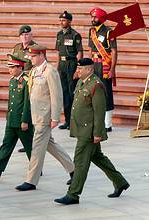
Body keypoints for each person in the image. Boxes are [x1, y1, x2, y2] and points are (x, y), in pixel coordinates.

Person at [54, 58, 129, 205]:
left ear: (89, 69)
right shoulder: (82, 82)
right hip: (82, 129)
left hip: (89, 132)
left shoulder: (97, 85)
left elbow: (99, 112)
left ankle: (73, 194)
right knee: (98, 158)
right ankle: (120, 182)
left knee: (80, 162)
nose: (78, 71)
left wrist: (97, 133)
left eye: (80, 69)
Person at [15, 45, 75, 191]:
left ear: (42, 55)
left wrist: (55, 117)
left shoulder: (50, 71)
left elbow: (57, 95)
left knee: (36, 148)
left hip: (45, 116)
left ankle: (31, 180)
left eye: (34, 56)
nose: (31, 58)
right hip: (36, 115)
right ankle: (74, 171)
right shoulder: (34, 71)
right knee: (50, 145)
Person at [0, 54, 33, 178]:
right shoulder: (12, 81)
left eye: (12, 67)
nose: (10, 70)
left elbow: (28, 102)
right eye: (9, 67)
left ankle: (36, 168)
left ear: (20, 68)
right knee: (6, 144)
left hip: (22, 121)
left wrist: (25, 120)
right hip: (12, 119)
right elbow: (12, 102)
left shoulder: (26, 81)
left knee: (30, 147)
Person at [88, 7, 117, 132]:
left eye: (95, 17)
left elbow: (114, 52)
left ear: (101, 18)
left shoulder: (109, 32)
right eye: (92, 17)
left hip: (105, 65)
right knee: (95, 91)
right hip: (94, 64)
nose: (93, 19)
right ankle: (97, 120)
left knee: (106, 93)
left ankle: (107, 123)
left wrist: (112, 69)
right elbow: (90, 50)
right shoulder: (92, 32)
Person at [55, 11, 83, 130]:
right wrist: (57, 67)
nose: (62, 22)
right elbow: (58, 52)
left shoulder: (75, 35)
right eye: (60, 20)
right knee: (64, 94)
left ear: (70, 22)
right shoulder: (59, 34)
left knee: (72, 93)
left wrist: (78, 68)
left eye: (64, 20)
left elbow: (80, 52)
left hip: (71, 64)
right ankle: (67, 120)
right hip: (62, 65)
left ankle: (73, 121)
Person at [12, 25, 36, 153]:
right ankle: (25, 142)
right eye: (22, 35)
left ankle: (31, 141)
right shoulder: (17, 48)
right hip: (19, 84)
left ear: (31, 35)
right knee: (21, 110)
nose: (25, 37)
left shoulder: (35, 48)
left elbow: (38, 66)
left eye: (27, 34)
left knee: (28, 112)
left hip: (30, 82)